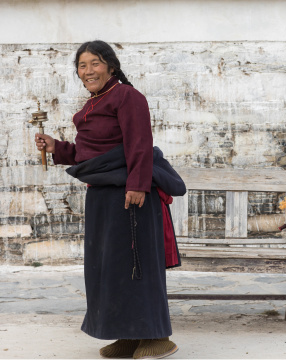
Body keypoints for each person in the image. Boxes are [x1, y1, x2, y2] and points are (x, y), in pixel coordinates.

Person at [34, 40, 181, 359]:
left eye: (95, 63)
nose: (88, 71)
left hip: (130, 195)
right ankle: (127, 335)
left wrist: (139, 184)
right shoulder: (91, 105)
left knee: (136, 264)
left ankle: (158, 337)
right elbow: (86, 155)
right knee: (109, 267)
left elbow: (139, 143)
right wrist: (56, 148)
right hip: (102, 196)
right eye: (82, 65)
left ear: (111, 66)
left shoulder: (128, 97)